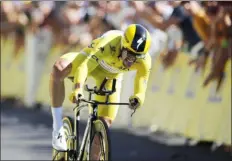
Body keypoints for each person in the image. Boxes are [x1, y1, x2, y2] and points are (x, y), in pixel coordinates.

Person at [49, 24, 152, 159]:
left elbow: (142, 79)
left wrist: (138, 97)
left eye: (136, 57)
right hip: (89, 63)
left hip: (109, 78)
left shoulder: (144, 60)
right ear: (122, 45)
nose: (131, 61)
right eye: (130, 54)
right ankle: (58, 127)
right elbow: (85, 65)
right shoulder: (108, 44)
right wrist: (78, 89)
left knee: (102, 129)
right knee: (59, 69)